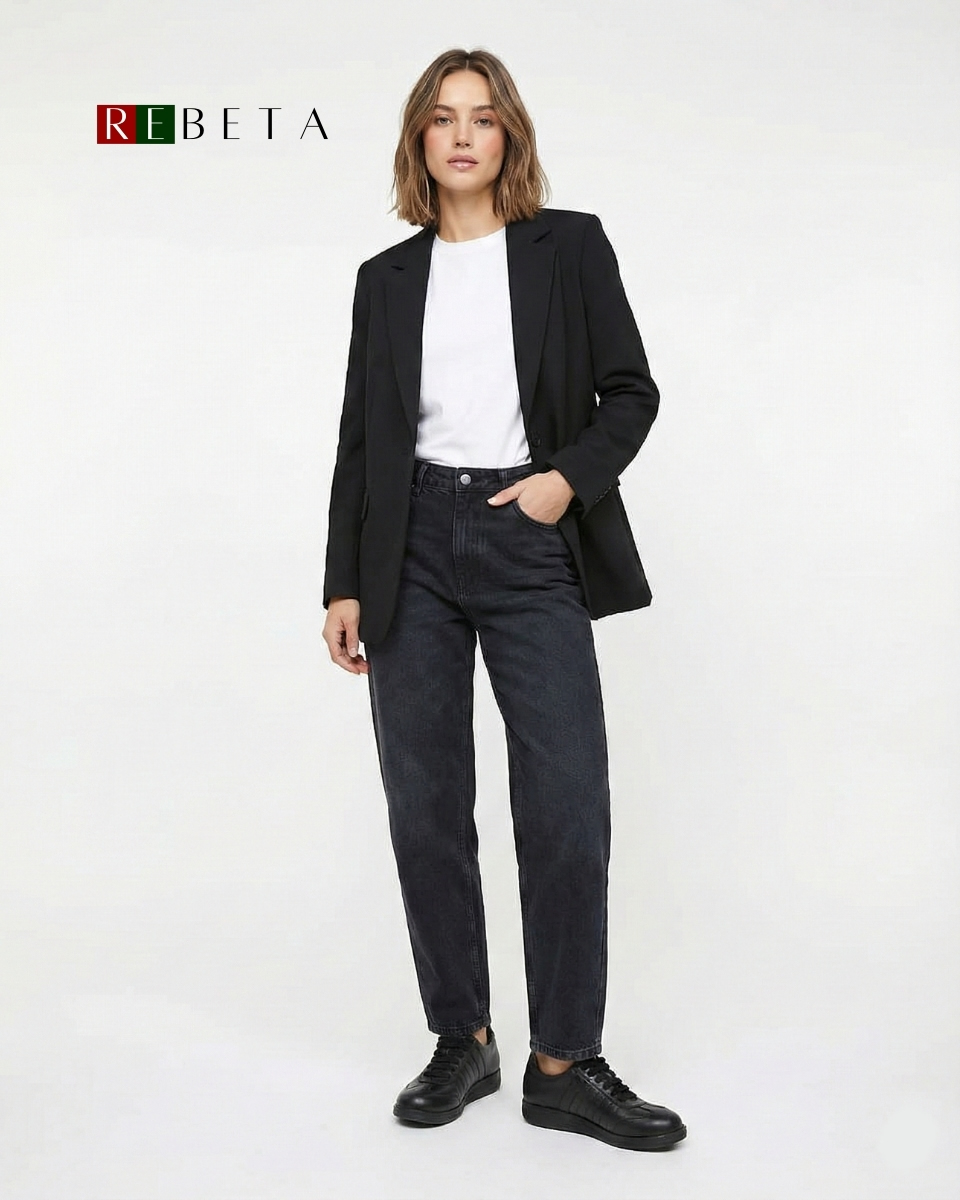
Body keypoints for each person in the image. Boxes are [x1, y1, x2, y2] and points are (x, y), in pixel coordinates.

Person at [321, 47, 686, 1152]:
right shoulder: (385, 278)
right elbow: (361, 439)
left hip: (530, 537)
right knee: (426, 806)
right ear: (419, 141)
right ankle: (464, 1038)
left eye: (482, 117)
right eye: (443, 119)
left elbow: (632, 391)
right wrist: (343, 580)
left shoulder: (569, 246)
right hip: (409, 551)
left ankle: (564, 1063)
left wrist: (565, 481)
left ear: (509, 135)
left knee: (568, 806)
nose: (463, 135)